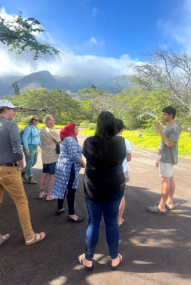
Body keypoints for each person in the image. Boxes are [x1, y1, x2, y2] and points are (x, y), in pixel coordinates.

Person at [0, 100, 46, 249]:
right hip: (8, 169)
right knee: (21, 202)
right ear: (4, 110)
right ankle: (29, 236)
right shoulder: (11, 125)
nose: (15, 112)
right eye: (12, 109)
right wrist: (21, 163)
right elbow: (16, 146)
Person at [78, 111, 126, 271]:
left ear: (98, 124)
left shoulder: (89, 141)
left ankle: (88, 259)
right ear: (113, 124)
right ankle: (114, 259)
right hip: (114, 188)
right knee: (111, 222)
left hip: (93, 189)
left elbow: (87, 157)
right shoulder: (120, 141)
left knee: (93, 222)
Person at [147, 106, 181, 214]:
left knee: (165, 182)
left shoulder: (174, 128)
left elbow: (169, 144)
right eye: (162, 114)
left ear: (171, 115)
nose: (163, 116)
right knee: (170, 179)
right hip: (165, 158)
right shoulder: (169, 127)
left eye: (165, 114)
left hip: (167, 159)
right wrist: (159, 157)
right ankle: (169, 202)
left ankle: (161, 206)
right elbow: (163, 144)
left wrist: (160, 131)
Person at [50, 123, 85, 221]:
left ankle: (60, 208)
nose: (77, 130)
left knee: (63, 186)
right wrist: (83, 163)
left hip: (63, 165)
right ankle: (72, 214)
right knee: (71, 189)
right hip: (69, 167)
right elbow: (74, 155)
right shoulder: (70, 139)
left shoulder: (66, 139)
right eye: (76, 128)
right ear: (71, 130)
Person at [39, 115, 60, 201]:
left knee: (44, 174)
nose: (54, 122)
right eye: (53, 120)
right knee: (53, 176)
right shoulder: (52, 132)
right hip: (53, 157)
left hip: (45, 157)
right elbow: (59, 141)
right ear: (48, 122)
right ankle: (49, 195)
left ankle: (41, 193)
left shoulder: (42, 131)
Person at [115, 119, 131, 227]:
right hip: (122, 171)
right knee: (121, 195)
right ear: (122, 129)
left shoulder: (107, 141)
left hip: (109, 173)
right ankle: (119, 219)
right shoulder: (126, 142)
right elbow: (129, 158)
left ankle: (109, 218)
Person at [21, 115, 41, 184]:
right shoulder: (28, 128)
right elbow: (24, 138)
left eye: (38, 120)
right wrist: (26, 148)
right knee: (29, 163)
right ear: (32, 120)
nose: (37, 121)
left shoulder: (36, 128)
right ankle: (30, 178)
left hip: (35, 147)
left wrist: (42, 147)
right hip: (29, 147)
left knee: (34, 162)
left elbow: (38, 139)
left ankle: (23, 172)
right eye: (36, 120)